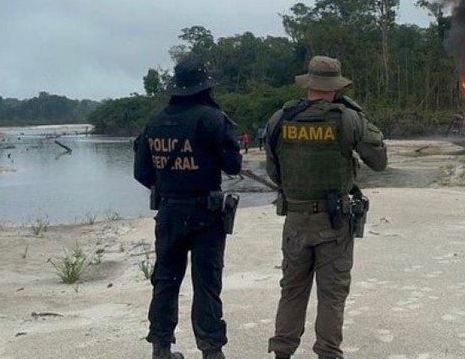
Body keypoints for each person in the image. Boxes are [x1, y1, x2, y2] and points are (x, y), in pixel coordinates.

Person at [265, 55, 388, 359]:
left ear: (309, 84)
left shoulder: (280, 118)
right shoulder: (347, 118)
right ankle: (328, 354)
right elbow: (379, 161)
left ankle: (282, 352)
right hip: (334, 223)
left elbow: (273, 171)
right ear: (335, 86)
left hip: (294, 220)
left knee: (292, 291)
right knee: (332, 296)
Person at [134, 56, 242, 359]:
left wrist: (170, 185)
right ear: (205, 87)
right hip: (206, 213)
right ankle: (211, 351)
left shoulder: (154, 122)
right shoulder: (211, 119)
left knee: (165, 280)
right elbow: (233, 165)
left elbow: (141, 173)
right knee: (206, 283)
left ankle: (161, 347)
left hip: (168, 212)